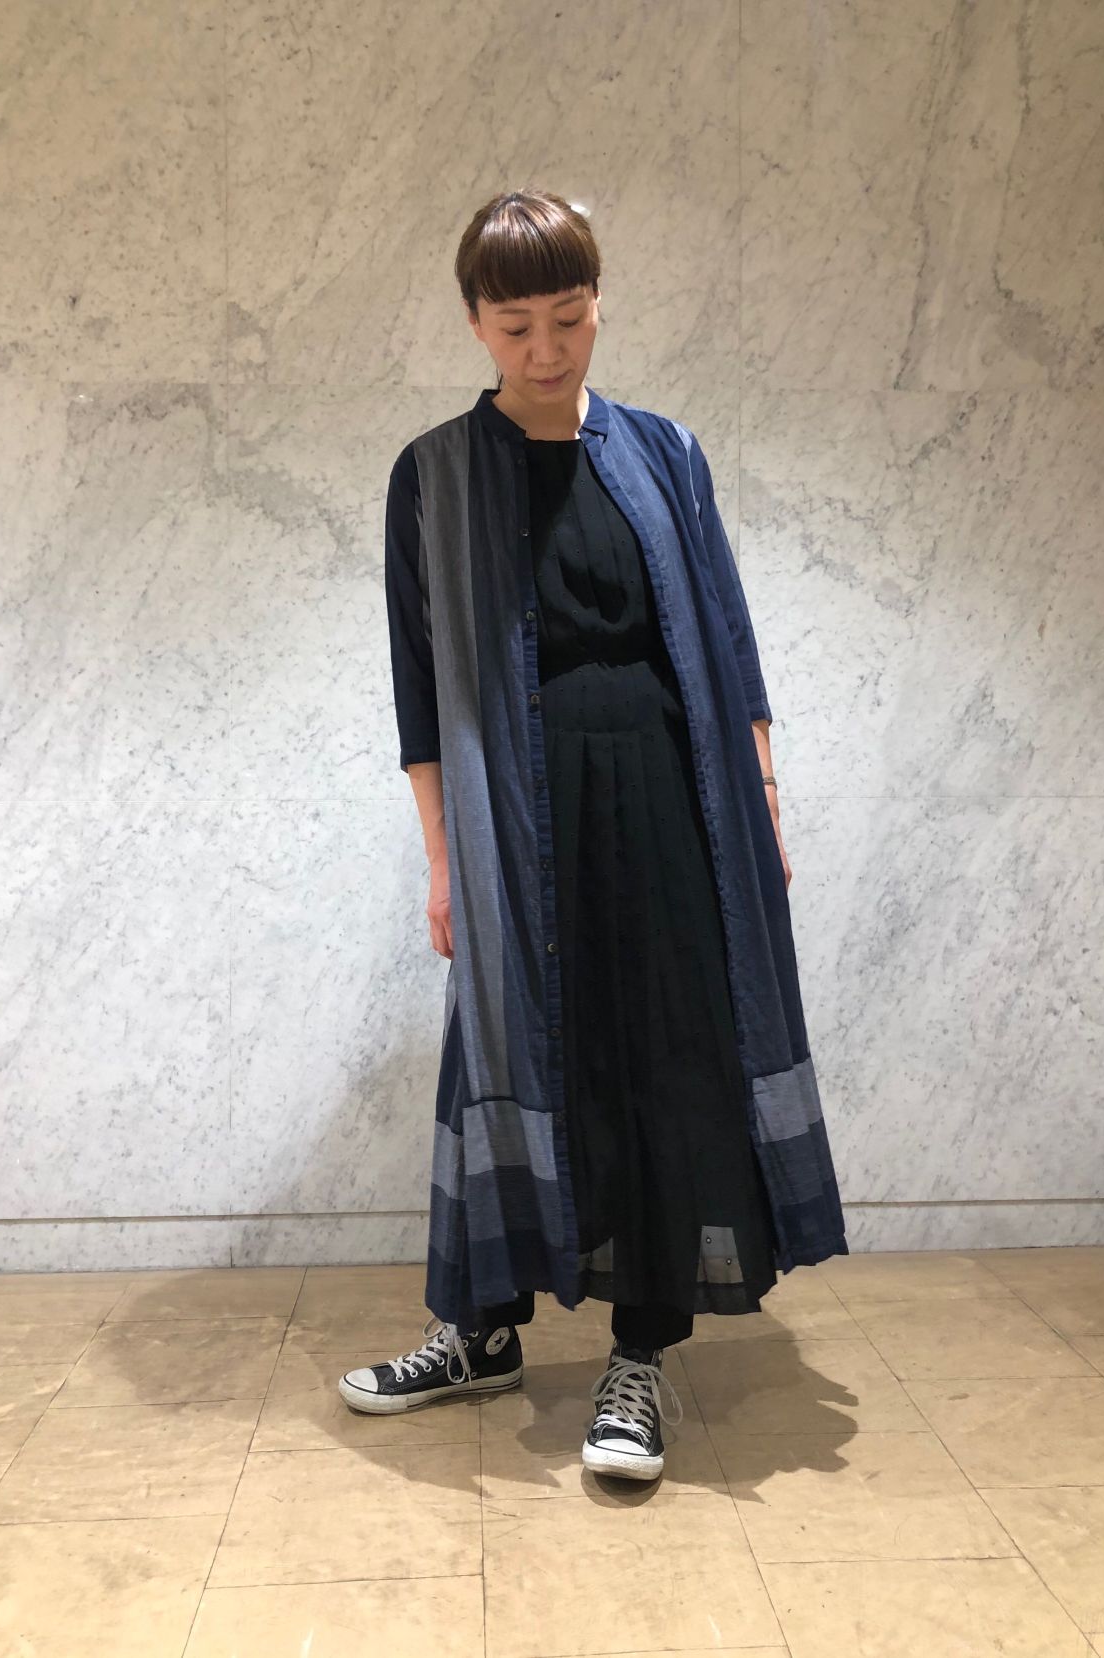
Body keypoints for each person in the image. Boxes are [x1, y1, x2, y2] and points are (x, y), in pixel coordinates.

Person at [339, 189, 848, 1481]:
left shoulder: (666, 454)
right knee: (502, 1047)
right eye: (517, 326)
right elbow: (420, 693)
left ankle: (642, 1351)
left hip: (672, 800)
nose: (547, 350)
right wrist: (442, 861)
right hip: (515, 809)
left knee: (666, 1052)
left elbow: (728, 645)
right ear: (475, 323)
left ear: (598, 305)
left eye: (568, 319)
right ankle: (481, 1329)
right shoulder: (433, 475)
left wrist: (765, 803)